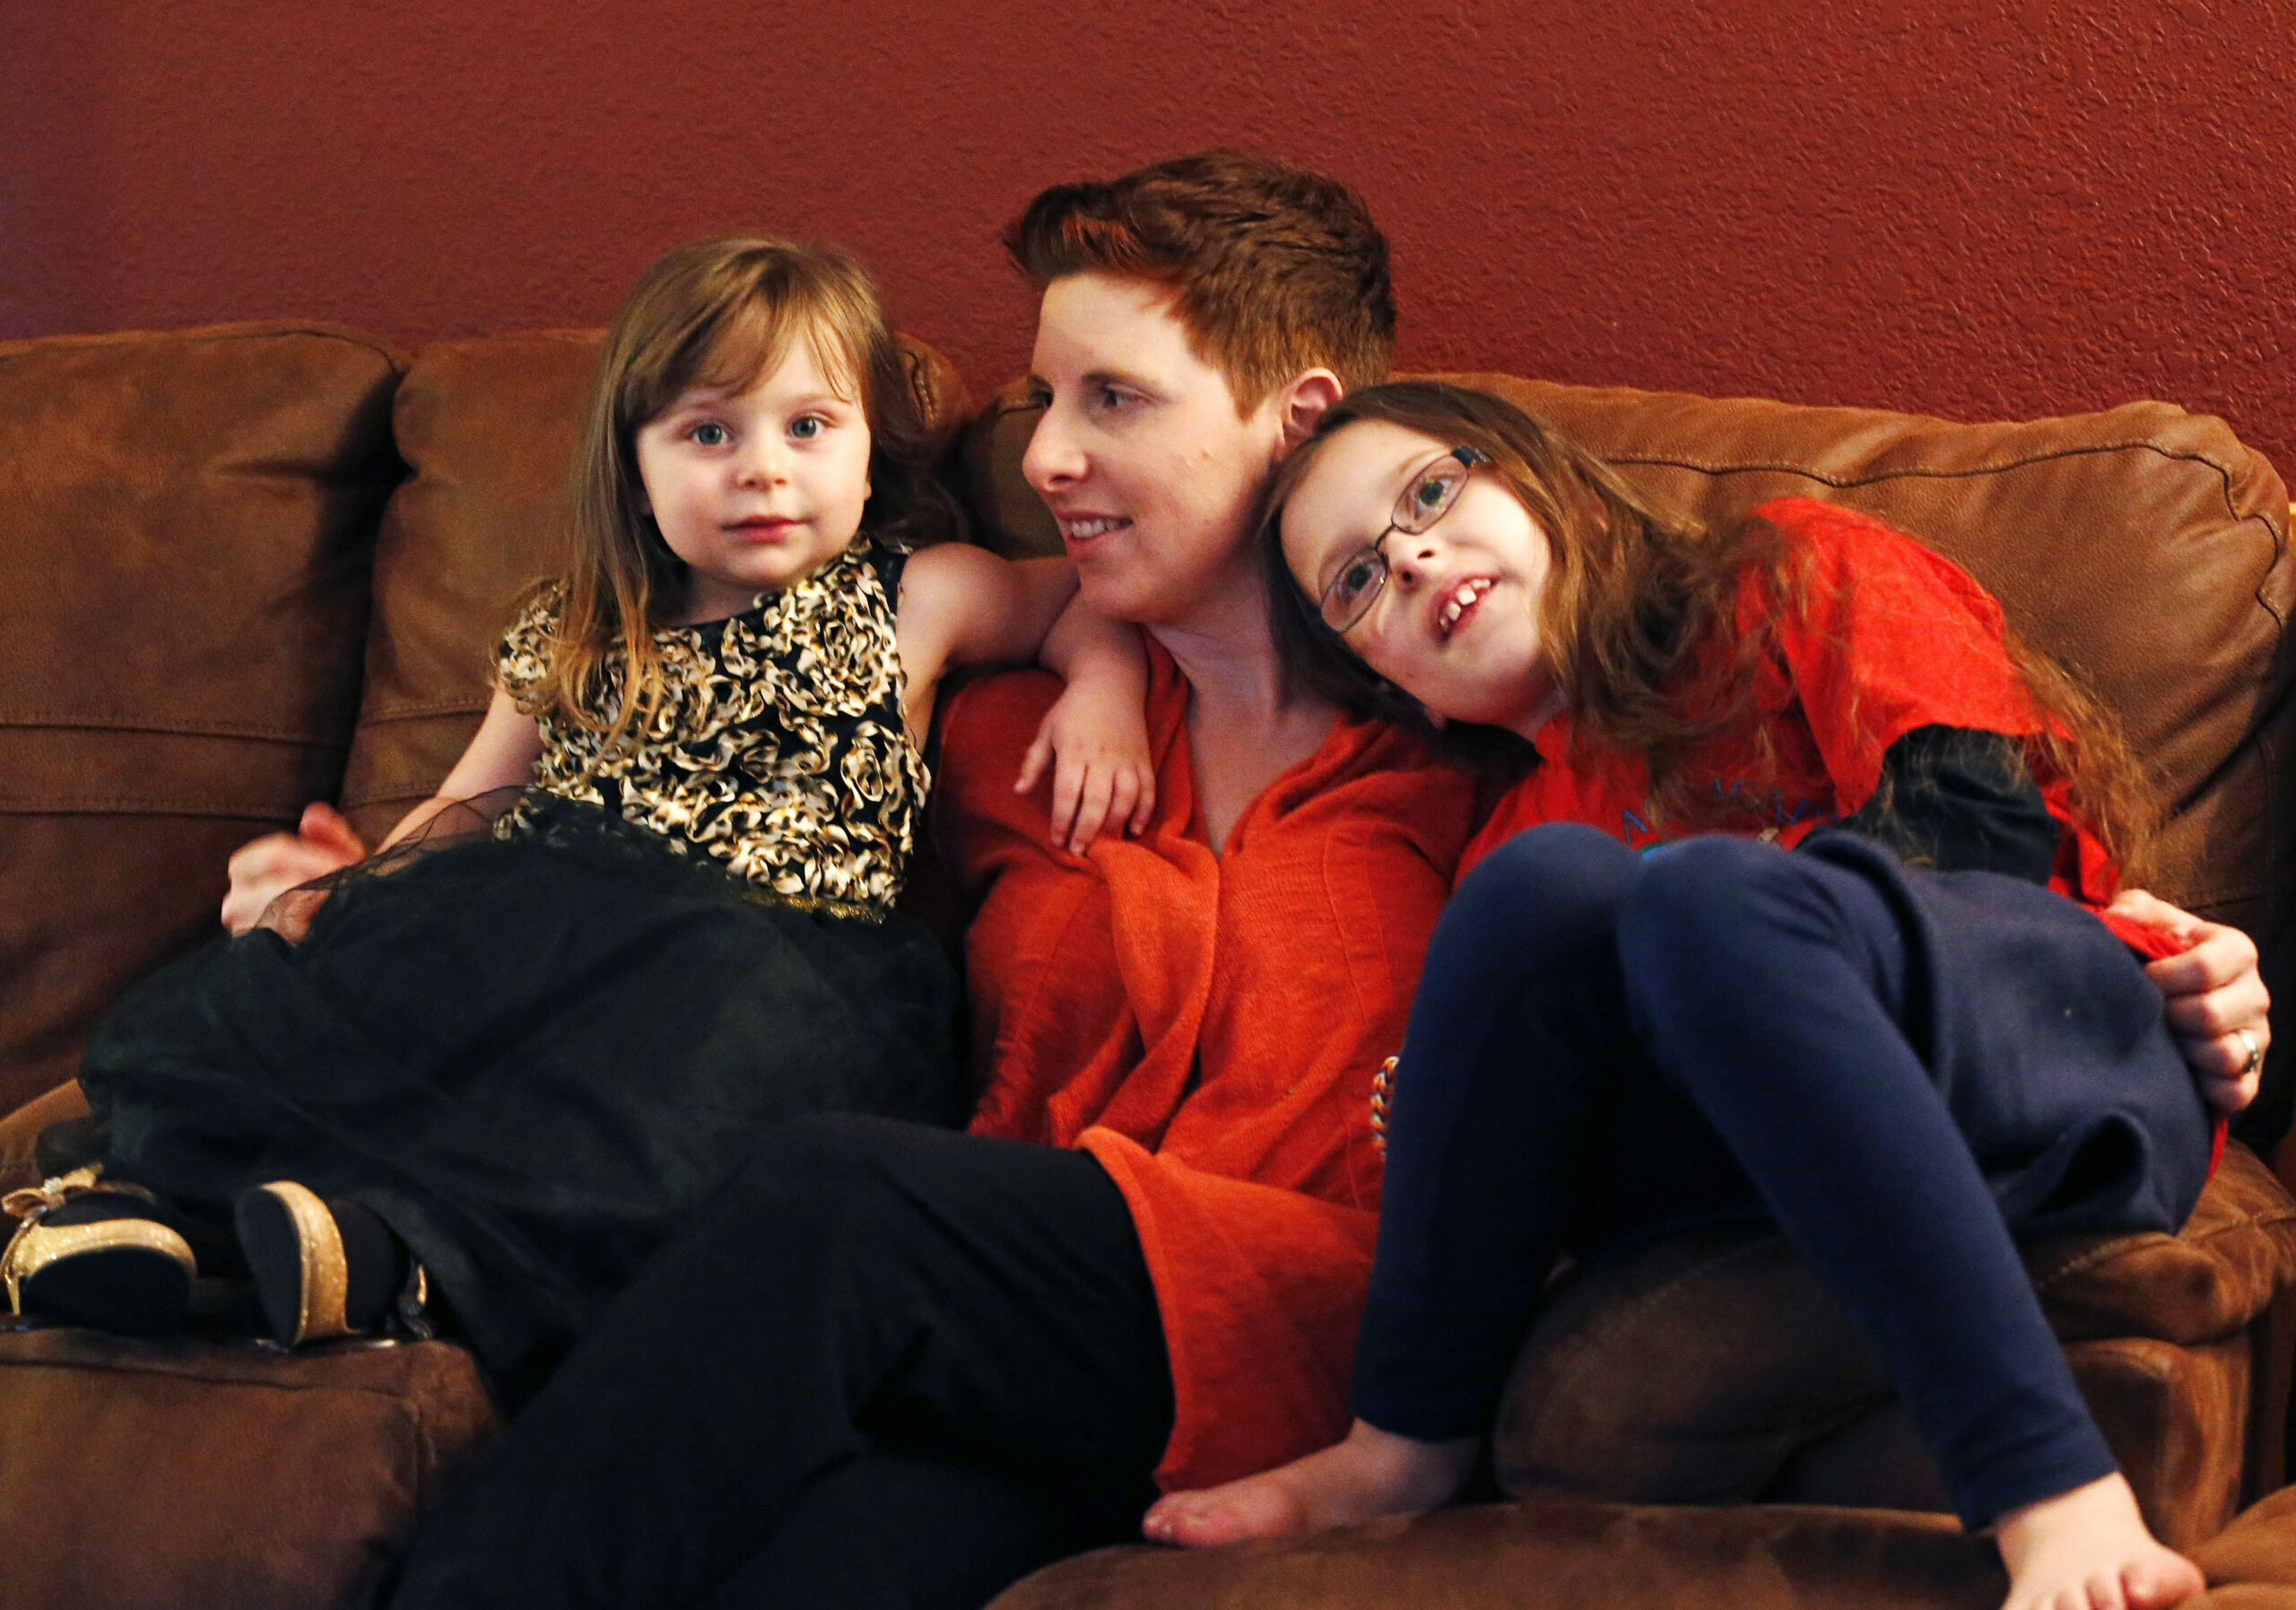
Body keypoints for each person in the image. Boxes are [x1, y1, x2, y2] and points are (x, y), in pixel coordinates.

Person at [372, 154, 2269, 1610]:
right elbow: (721, 898)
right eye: (1042, 405)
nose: (1048, 457)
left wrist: (2134, 951)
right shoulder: (1004, 726)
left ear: (1297, 418)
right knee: (841, 1557)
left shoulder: (1481, 761)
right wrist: (387, 889)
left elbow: (1894, 899)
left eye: (1110, 402)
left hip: (1295, 1301)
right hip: (1025, 1332)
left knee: (834, 1205)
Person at [1144, 379, 2255, 1610]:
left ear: (1548, 484)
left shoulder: (1782, 572)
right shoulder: (1512, 845)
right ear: (1391, 686)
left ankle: (2050, 1487)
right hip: (1746, 1153)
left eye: (1432, 493)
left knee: (1698, 901)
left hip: (2034, 1040)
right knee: (1540, 890)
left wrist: (1727, 923)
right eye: (1355, 581)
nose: (1408, 558)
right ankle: (1400, 1447)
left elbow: (1979, 830)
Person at [3, 236, 1152, 1410]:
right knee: (298, 1006)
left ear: (868, 454)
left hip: (772, 964)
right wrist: (352, 890)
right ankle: (145, 1214)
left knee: (676, 1102)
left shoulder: (918, 594)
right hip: (547, 927)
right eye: (709, 434)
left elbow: (1087, 598)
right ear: (635, 472)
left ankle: (394, 1257)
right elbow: (471, 800)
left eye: (808, 427)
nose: (763, 470)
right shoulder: (578, 629)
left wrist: (1103, 691)